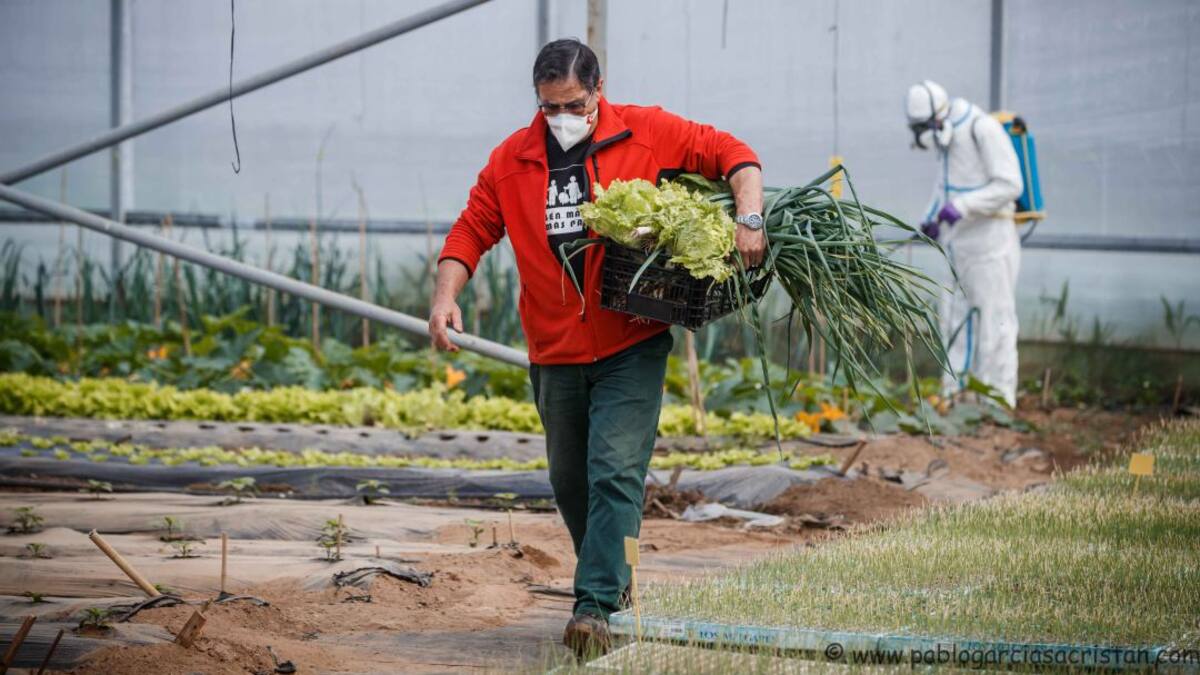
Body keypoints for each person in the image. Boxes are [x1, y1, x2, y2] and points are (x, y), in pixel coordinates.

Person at [430, 38, 765, 654]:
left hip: (628, 342)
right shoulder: (513, 159)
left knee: (614, 471)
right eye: (548, 105)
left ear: (598, 92)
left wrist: (749, 215)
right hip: (552, 350)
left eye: (572, 104)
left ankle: (593, 610)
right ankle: (617, 583)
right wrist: (445, 294)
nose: (560, 117)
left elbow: (732, 154)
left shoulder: (646, 133)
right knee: (570, 481)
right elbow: (472, 227)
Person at [906, 79, 1024, 407]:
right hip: (956, 245)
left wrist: (963, 206)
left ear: (938, 118)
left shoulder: (981, 129)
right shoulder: (946, 141)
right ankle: (955, 393)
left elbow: (1010, 184)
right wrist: (930, 217)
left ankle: (998, 401)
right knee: (953, 318)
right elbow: (945, 185)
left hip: (990, 243)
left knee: (995, 320)